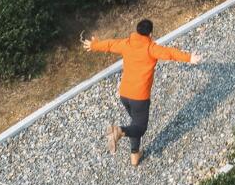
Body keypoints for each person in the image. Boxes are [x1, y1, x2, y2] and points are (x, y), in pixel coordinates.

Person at [82, 18, 202, 166]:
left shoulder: (127, 44)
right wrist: (190, 58)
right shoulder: (151, 48)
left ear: (137, 31)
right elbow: (169, 53)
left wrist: (94, 45)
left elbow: (110, 44)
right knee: (139, 128)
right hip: (139, 97)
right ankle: (118, 131)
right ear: (150, 34)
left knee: (135, 124)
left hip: (124, 94)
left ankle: (135, 154)